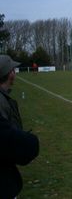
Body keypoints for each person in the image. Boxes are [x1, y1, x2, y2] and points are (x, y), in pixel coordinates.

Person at [0, 55, 40, 198]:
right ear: (10, 73)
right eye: (13, 69)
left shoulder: (4, 98)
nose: (15, 72)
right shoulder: (1, 102)